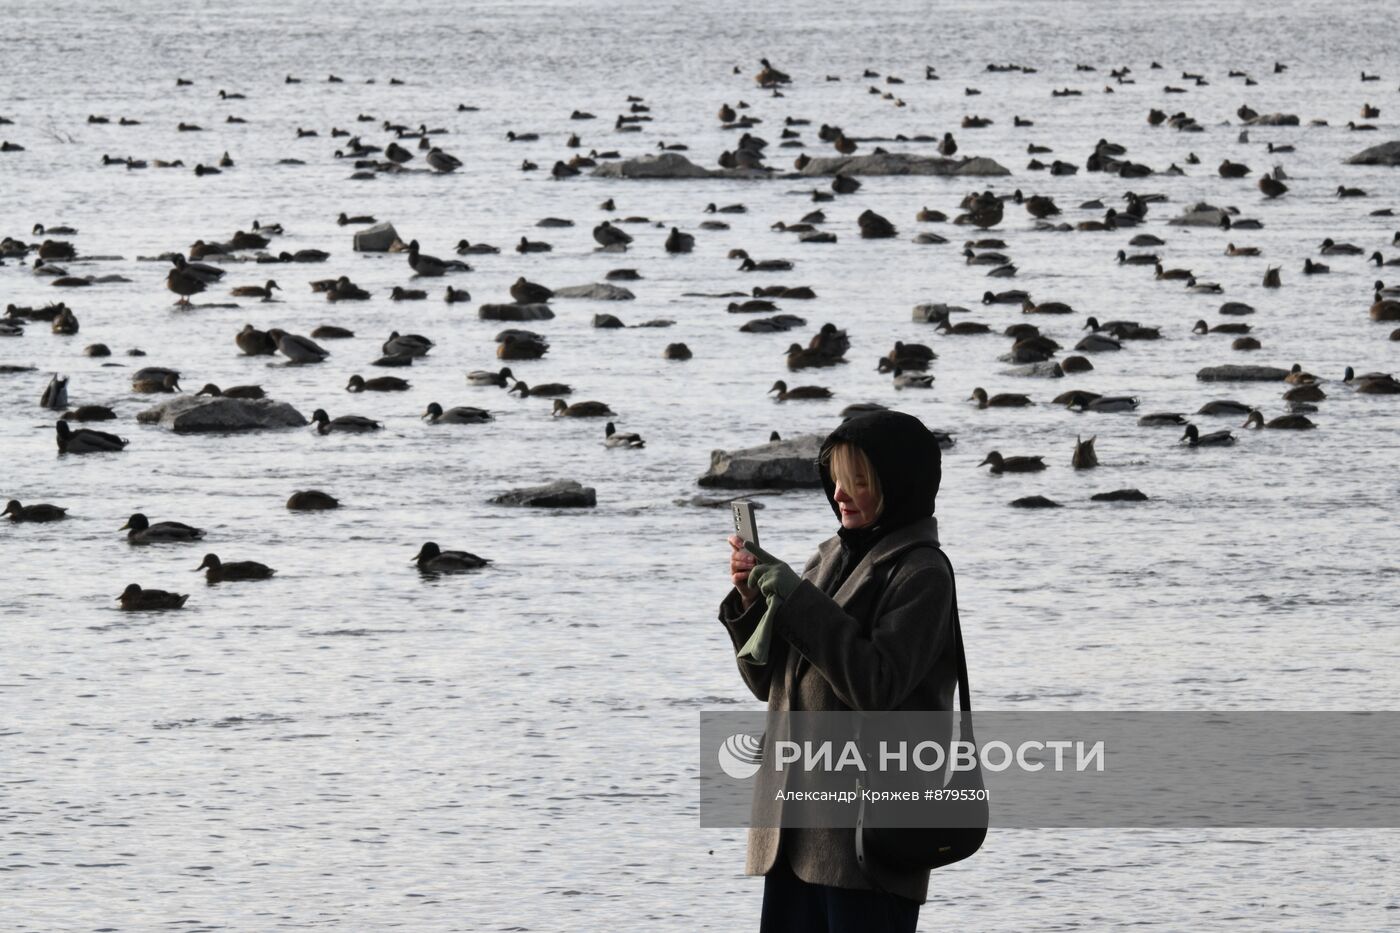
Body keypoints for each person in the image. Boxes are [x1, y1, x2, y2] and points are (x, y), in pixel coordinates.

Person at [718, 409, 959, 933]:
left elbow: (877, 685)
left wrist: (797, 599)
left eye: (858, 481)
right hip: (790, 836)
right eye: (836, 480)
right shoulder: (826, 557)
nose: (840, 494)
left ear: (898, 483)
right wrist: (752, 600)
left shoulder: (922, 573)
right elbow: (769, 683)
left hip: (866, 844)